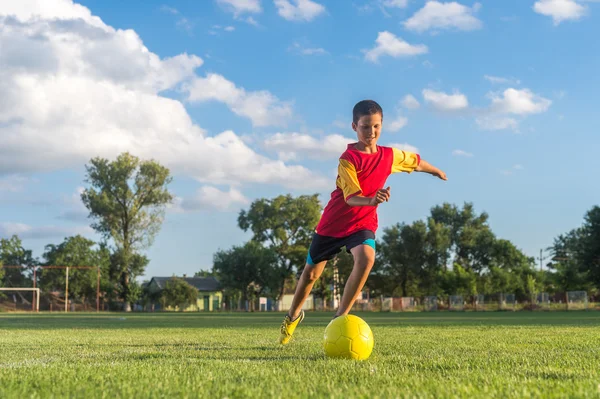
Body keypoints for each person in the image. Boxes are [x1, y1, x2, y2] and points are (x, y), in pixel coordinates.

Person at [279, 99, 447, 345]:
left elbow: (416, 161)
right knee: (310, 276)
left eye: (376, 126)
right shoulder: (348, 158)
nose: (372, 132)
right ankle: (292, 317)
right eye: (366, 127)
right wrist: (373, 199)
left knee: (367, 258)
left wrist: (436, 171)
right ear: (354, 126)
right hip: (333, 224)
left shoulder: (389, 155)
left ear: (382, 125)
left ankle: (340, 318)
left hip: (362, 224)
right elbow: (350, 198)